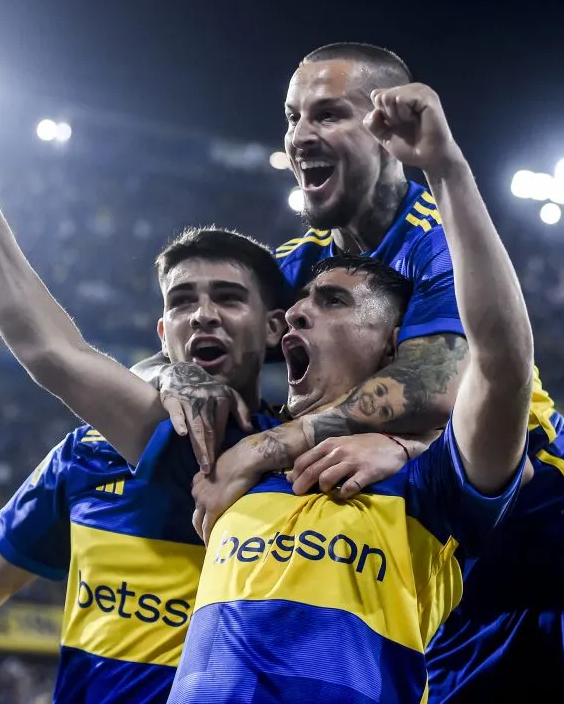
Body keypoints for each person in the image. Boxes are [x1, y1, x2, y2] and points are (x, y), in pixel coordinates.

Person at [167, 43, 564, 704]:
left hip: (550, 511)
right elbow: (198, 334)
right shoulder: (295, 265)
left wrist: (279, 441)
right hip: (441, 549)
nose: (299, 136)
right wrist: (182, 376)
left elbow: (441, 377)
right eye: (292, 117)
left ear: (382, 126)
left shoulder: (439, 234)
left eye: (326, 114)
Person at [0, 117, 414, 704]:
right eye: (184, 300)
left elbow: (52, 352)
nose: (204, 314)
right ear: (162, 330)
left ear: (276, 328)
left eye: (228, 297)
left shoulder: (294, 458)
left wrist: (405, 446)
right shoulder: (88, 455)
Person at [167, 62, 536, 699]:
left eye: (334, 303)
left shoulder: (425, 474)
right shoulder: (232, 431)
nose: (296, 312)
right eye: (292, 118)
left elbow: (495, 365)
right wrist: (174, 370)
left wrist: (447, 170)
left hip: (556, 496)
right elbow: (71, 359)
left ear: (395, 342)